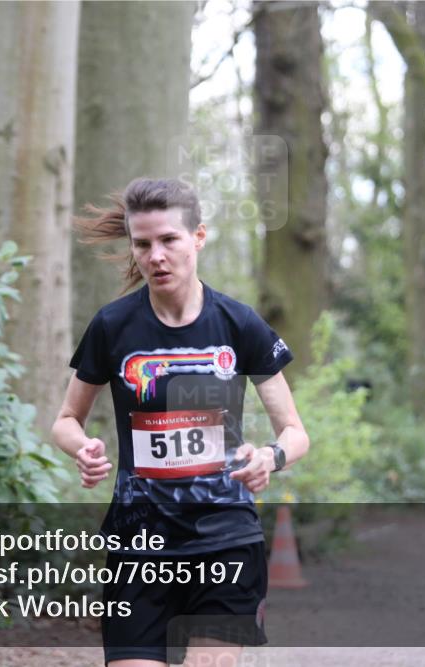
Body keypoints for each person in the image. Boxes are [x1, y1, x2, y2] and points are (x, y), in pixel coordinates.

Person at [51, 178, 309, 667]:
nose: (156, 256)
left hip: (225, 539)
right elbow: (65, 420)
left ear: (198, 237)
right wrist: (81, 447)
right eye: (142, 244)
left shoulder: (239, 324)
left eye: (169, 240)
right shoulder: (112, 326)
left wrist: (269, 458)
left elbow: (295, 433)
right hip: (138, 543)